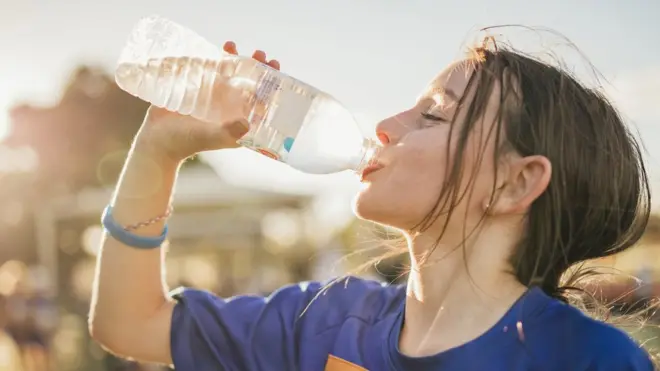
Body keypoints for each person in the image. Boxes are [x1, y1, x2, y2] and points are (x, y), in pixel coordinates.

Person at [89, 37, 657, 370]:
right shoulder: (327, 322)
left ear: (514, 184)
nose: (384, 127)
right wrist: (157, 152)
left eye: (434, 114)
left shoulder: (588, 359)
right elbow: (129, 323)